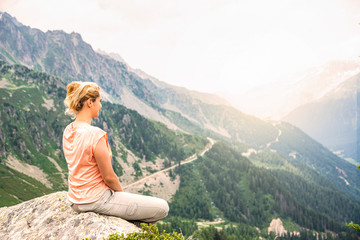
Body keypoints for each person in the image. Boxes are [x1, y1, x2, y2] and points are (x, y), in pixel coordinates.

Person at [62, 81, 169, 224]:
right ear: (89, 103)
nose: (100, 105)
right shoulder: (96, 134)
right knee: (162, 208)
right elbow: (109, 177)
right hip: (96, 199)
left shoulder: (68, 130)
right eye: (99, 101)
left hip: (75, 201)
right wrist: (121, 196)